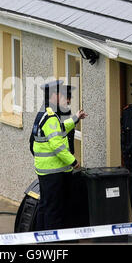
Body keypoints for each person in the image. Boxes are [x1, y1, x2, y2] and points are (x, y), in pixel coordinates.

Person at [31, 80, 87, 231]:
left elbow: (60, 129)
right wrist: (73, 161)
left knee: (46, 205)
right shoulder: (50, 117)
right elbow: (57, 145)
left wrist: (75, 118)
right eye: (63, 96)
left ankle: (40, 237)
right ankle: (52, 241)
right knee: (53, 209)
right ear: (54, 96)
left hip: (46, 170)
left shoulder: (46, 113)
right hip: (53, 171)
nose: (66, 100)